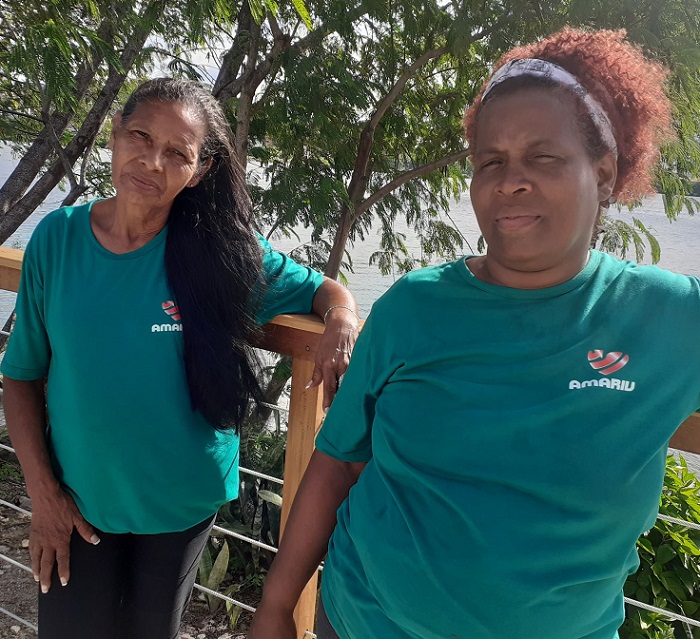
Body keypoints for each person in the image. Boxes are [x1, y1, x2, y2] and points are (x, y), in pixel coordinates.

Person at [248, 27, 700, 639]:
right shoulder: (414, 306)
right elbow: (336, 461)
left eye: (543, 156)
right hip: (364, 620)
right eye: (491, 161)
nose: (510, 180)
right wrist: (277, 605)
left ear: (604, 171)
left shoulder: (671, 317)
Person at [1, 78, 359, 639]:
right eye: (141, 137)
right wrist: (44, 497)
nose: (152, 162)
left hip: (180, 505)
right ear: (115, 135)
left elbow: (325, 291)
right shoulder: (58, 240)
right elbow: (22, 375)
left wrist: (341, 320)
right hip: (77, 500)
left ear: (200, 169)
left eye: (177, 153)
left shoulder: (221, 252)